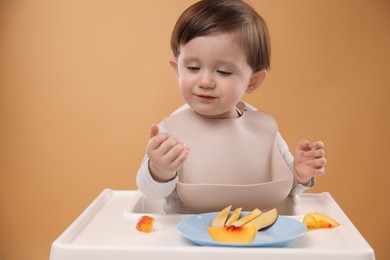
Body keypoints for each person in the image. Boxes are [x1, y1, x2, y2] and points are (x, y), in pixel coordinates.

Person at [136, 0, 326, 214]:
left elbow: (284, 187)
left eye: (224, 72)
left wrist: (300, 174)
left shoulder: (261, 128)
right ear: (178, 70)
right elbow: (149, 192)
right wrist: (159, 171)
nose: (205, 81)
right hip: (185, 239)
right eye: (193, 67)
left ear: (253, 81)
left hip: (253, 237)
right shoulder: (171, 131)